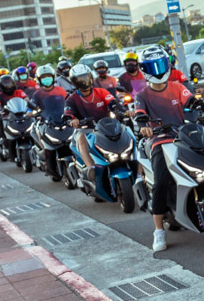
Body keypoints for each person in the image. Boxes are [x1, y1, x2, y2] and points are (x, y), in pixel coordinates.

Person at [129, 50, 193, 253]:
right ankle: (158, 230)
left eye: (160, 65)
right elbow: (139, 113)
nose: (158, 71)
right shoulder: (142, 95)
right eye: (152, 67)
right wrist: (143, 125)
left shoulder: (177, 87)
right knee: (161, 181)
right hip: (159, 141)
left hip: (185, 137)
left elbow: (192, 101)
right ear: (144, 71)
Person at [65, 63, 119, 175]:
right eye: (80, 79)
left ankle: (137, 169)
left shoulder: (101, 92)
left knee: (125, 130)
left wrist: (123, 111)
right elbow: (68, 113)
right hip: (85, 129)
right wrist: (72, 120)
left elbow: (114, 104)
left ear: (90, 77)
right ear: (74, 81)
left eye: (85, 77)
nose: (83, 81)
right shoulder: (72, 98)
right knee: (81, 137)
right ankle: (91, 168)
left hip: (106, 127)